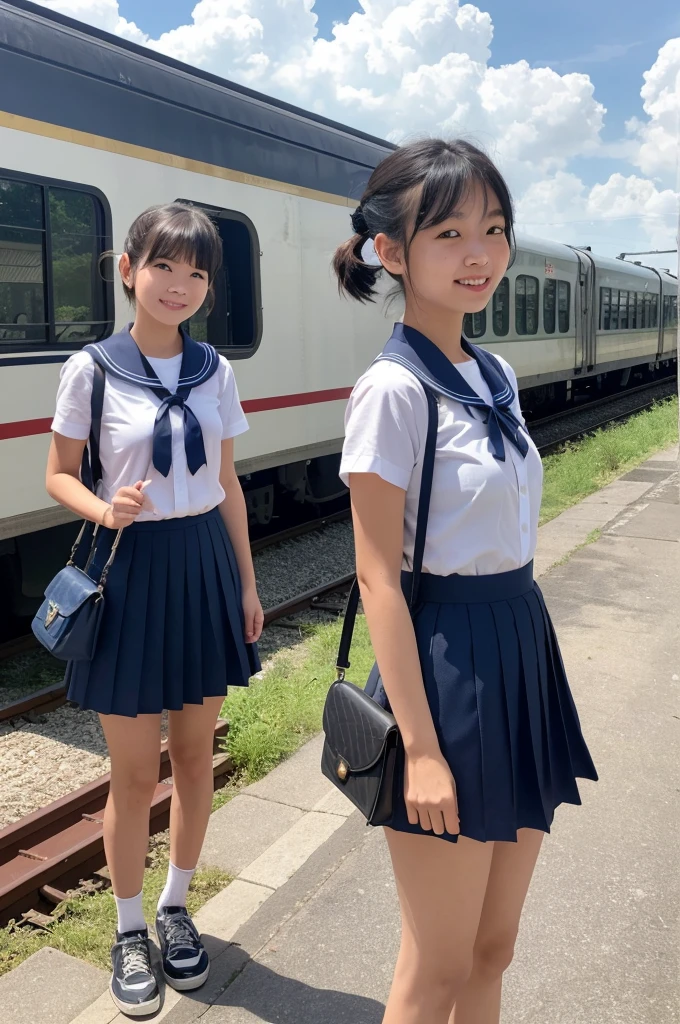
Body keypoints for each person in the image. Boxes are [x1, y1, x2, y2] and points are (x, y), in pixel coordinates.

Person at [335, 139, 597, 1024]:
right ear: (391, 251)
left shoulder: (496, 375)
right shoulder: (393, 391)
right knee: (436, 966)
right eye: (449, 233)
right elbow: (378, 578)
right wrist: (423, 748)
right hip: (444, 670)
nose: (480, 253)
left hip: (519, 649)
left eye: (494, 229)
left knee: (493, 948)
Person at [46, 204, 263, 1017]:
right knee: (134, 774)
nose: (181, 285)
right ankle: (128, 927)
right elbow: (59, 473)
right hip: (130, 570)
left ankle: (177, 909)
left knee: (198, 759)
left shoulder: (216, 370)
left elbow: (228, 482)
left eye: (197, 272)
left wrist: (245, 585)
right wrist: (105, 509)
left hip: (204, 563)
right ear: (128, 268)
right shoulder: (92, 367)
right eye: (164, 267)